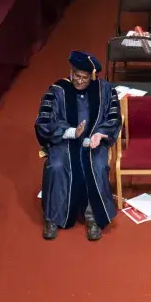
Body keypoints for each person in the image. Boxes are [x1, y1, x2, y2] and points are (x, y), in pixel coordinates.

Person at [36, 51, 119, 242]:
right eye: (76, 76)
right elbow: (44, 120)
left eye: (85, 77)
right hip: (64, 140)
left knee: (97, 167)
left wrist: (100, 133)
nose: (80, 81)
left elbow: (114, 117)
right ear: (70, 72)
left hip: (93, 142)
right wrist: (71, 132)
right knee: (56, 166)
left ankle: (92, 217)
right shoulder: (57, 90)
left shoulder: (105, 90)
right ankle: (53, 218)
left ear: (93, 76)